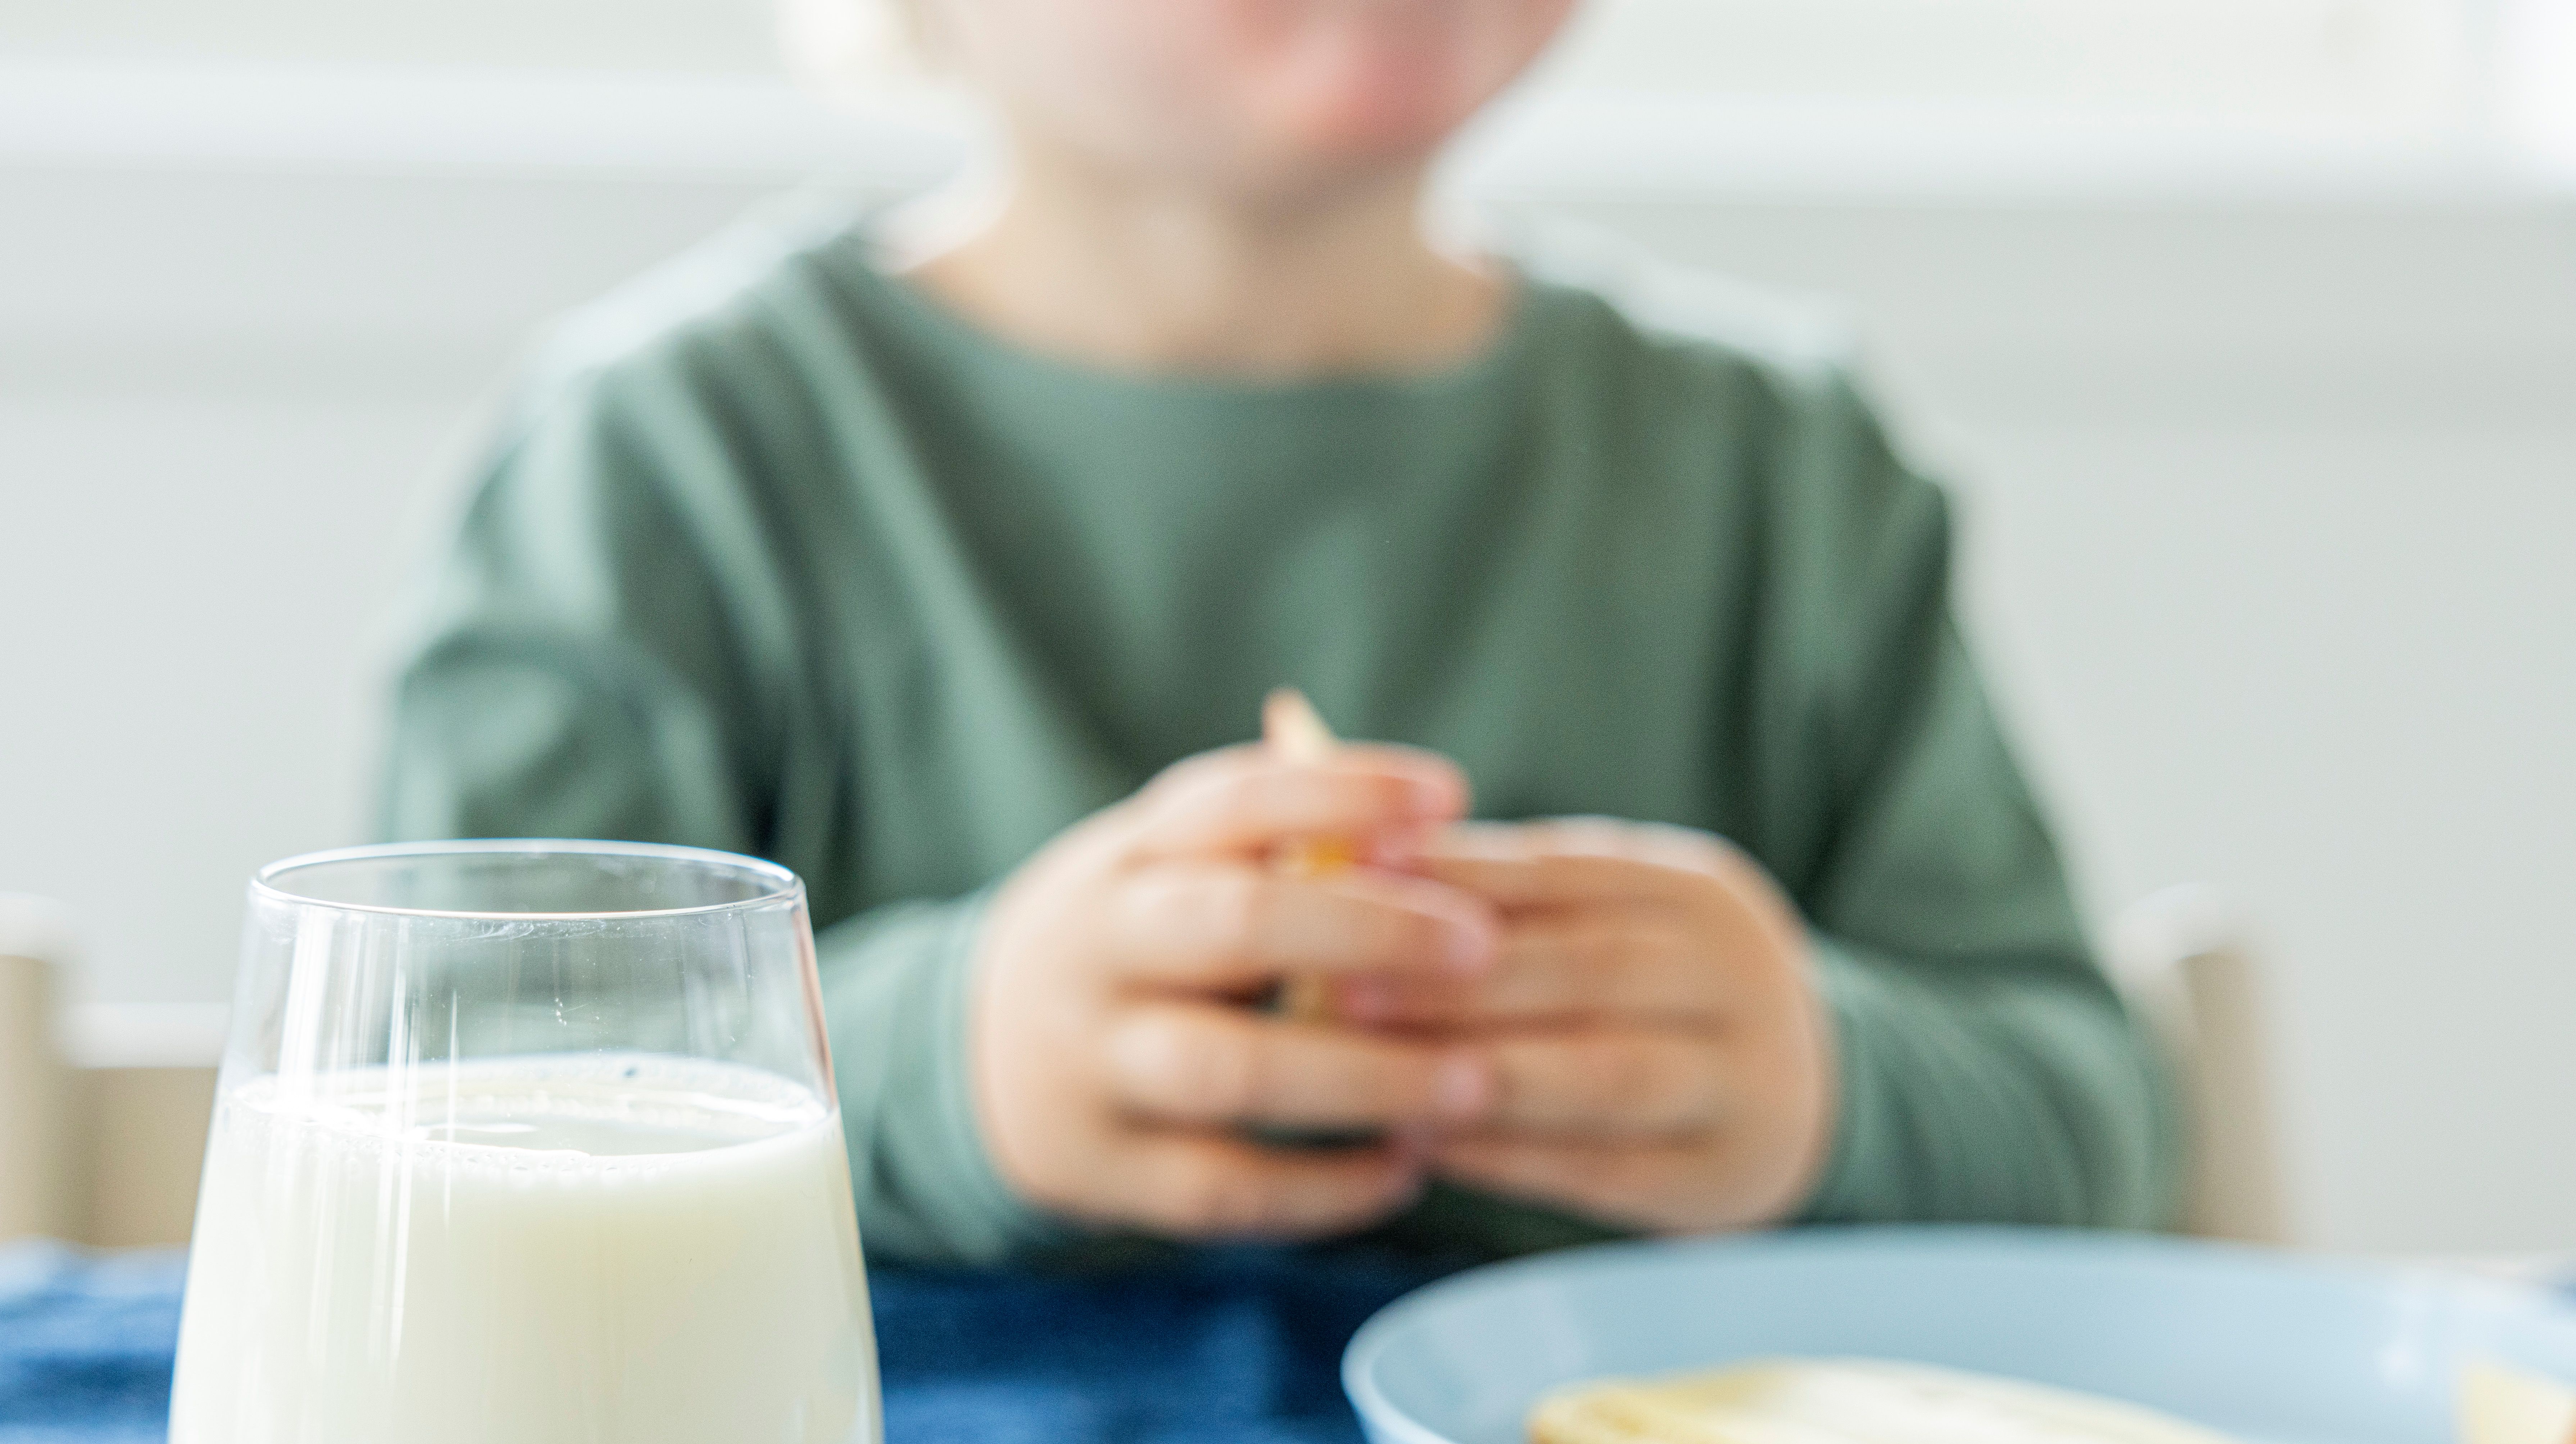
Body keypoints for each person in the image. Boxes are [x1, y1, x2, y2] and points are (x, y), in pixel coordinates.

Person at [377, 0, 2175, 1265]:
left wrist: (1819, 1089)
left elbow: (2091, 1127)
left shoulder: (1779, 477)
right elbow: (429, 1119)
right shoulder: (669, 464)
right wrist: (946, 1064)